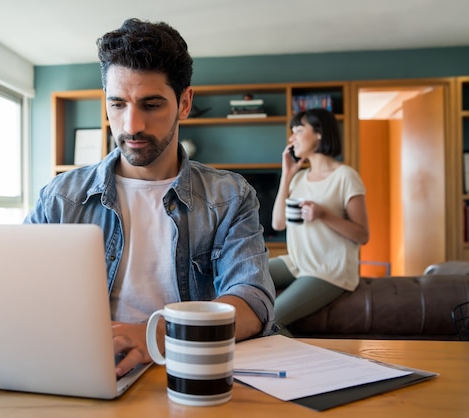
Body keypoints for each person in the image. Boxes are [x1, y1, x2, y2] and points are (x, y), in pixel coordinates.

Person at [24, 18, 275, 378]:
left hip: (189, 370)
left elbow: (252, 302)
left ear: (184, 103)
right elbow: (19, 290)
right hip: (86, 370)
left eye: (151, 105)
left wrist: (159, 334)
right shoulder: (60, 198)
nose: (131, 125)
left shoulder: (229, 197)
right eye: (118, 105)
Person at [270, 108, 369, 335]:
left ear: (319, 134)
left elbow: (363, 235)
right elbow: (278, 224)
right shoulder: (299, 177)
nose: (292, 138)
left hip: (330, 269)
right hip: (297, 262)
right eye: (291, 131)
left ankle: (306, 368)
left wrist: (324, 215)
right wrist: (286, 175)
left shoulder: (345, 176)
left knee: (273, 318)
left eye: (298, 130)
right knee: (243, 275)